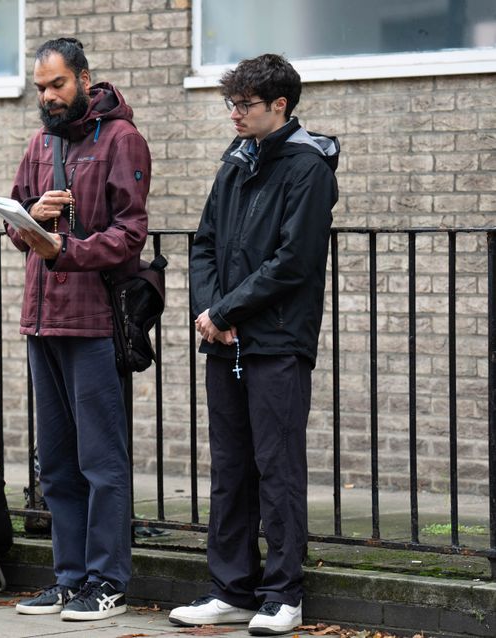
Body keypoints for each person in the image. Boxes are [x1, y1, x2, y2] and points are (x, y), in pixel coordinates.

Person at [169, 54, 339, 635]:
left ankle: (283, 595)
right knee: (230, 468)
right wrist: (209, 311)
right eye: (231, 104)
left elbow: (293, 262)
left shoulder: (309, 169)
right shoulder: (235, 163)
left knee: (278, 468)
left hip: (278, 343)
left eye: (245, 106)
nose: (235, 115)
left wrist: (226, 308)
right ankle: (231, 589)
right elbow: (204, 243)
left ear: (280, 107)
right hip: (226, 339)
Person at [6, 38, 150, 621]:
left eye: (57, 84)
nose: (47, 96)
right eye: (40, 87)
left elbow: (131, 236)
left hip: (93, 322)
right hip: (42, 321)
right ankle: (68, 579)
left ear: (84, 79)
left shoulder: (121, 139)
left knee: (101, 462)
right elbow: (16, 219)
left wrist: (68, 247)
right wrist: (31, 219)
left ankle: (107, 581)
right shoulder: (40, 143)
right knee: (57, 463)